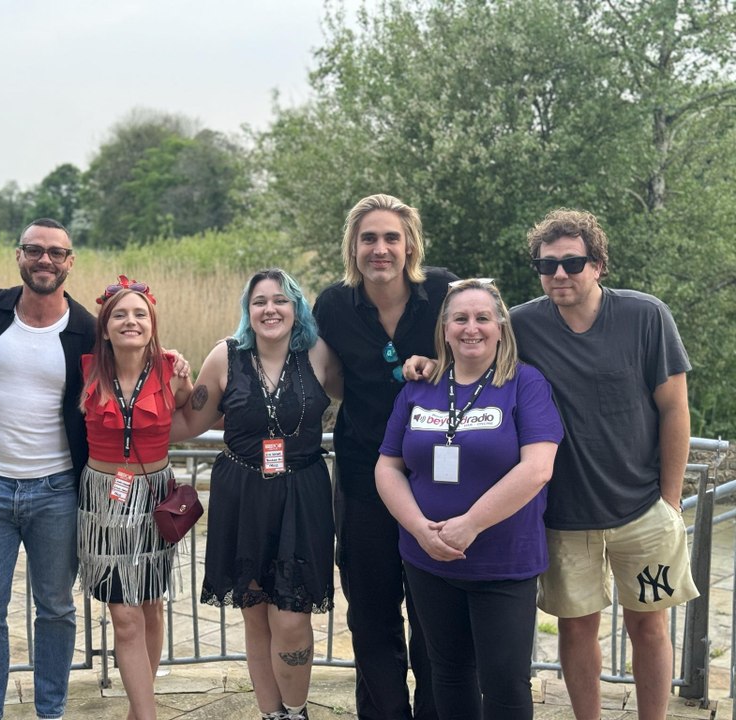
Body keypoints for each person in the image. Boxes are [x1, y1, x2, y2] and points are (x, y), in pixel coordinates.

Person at [511, 208, 699, 720]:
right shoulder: (521, 325)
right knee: (576, 628)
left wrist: (670, 498)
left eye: (573, 262)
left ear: (598, 264)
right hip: (564, 516)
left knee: (650, 627)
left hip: (642, 510)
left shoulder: (645, 316)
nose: (559, 275)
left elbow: (674, 408)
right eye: (546, 266)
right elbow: (467, 347)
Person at [375, 278, 563, 719]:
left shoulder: (525, 384)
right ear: (444, 329)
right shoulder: (420, 387)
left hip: (503, 563)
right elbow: (388, 466)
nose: (471, 328)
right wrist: (420, 530)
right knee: (449, 673)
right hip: (428, 559)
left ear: (501, 327)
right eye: (460, 318)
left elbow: (538, 467)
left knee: (504, 683)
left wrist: (471, 524)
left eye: (482, 318)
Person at [171, 268, 342, 720]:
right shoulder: (225, 356)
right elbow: (188, 423)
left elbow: (364, 397)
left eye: (281, 300)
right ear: (248, 311)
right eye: (259, 301)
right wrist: (141, 400)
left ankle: (297, 709)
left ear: (296, 308)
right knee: (256, 613)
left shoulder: (320, 353)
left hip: (302, 493)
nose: (270, 309)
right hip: (243, 492)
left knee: (291, 616)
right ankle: (272, 715)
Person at [312, 194, 456, 720]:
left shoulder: (442, 291)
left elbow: (485, 351)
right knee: (371, 617)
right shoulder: (332, 305)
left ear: (410, 245)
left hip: (438, 477)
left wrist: (441, 364)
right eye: (368, 238)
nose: (380, 249)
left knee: (434, 612)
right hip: (362, 477)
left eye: (391, 237)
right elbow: (314, 373)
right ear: (353, 246)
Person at [0, 218, 96, 720]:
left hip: (58, 492)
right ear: (18, 256)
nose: (44, 260)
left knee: (56, 609)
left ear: (70, 262)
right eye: (34, 250)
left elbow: (130, 363)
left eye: (56, 253)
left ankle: (50, 711)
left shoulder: (86, 329)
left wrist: (172, 362)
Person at [77, 276, 192, 720]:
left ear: (153, 323)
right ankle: (148, 716)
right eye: (120, 314)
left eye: (140, 314)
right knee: (124, 614)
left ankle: (137, 709)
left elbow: (194, 415)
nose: (131, 321)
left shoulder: (173, 371)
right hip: (102, 501)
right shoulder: (84, 368)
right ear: (104, 325)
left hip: (152, 498)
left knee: (150, 603)